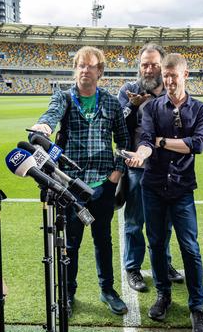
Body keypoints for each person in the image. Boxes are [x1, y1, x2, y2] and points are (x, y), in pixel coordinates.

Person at [30, 46, 129, 317]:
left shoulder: (110, 102)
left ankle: (107, 290)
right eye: (81, 65)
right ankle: (69, 292)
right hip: (71, 187)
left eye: (91, 66)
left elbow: (123, 141)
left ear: (100, 71)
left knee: (103, 241)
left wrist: (115, 175)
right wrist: (44, 127)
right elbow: (51, 114)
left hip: (103, 186)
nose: (85, 70)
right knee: (70, 244)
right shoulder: (64, 98)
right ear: (76, 69)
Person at [124, 53, 203, 332]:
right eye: (166, 75)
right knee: (157, 244)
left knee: (190, 247)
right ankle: (164, 295)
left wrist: (161, 141)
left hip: (182, 188)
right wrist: (142, 153)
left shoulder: (200, 109)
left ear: (185, 75)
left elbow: (197, 145)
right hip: (153, 186)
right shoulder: (149, 109)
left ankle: (197, 307)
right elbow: (147, 141)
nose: (169, 80)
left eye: (174, 75)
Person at [117, 43, 183, 293]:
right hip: (137, 167)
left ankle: (164, 265)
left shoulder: (172, 90)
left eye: (154, 64)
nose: (148, 69)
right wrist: (133, 106)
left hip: (166, 167)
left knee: (164, 223)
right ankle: (133, 268)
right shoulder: (129, 90)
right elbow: (119, 126)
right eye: (144, 64)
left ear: (162, 66)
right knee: (134, 222)